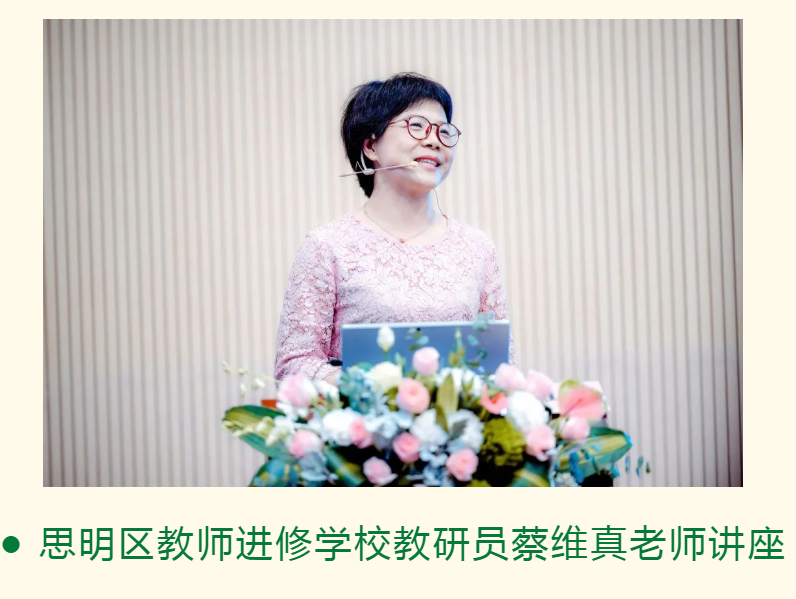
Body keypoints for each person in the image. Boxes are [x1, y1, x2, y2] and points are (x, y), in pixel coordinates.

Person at [274, 72, 515, 385]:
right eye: (416, 126)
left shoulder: (477, 247)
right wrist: (380, 390)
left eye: (444, 131)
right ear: (371, 145)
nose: (433, 140)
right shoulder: (327, 245)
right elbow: (293, 366)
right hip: (361, 416)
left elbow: (502, 364)